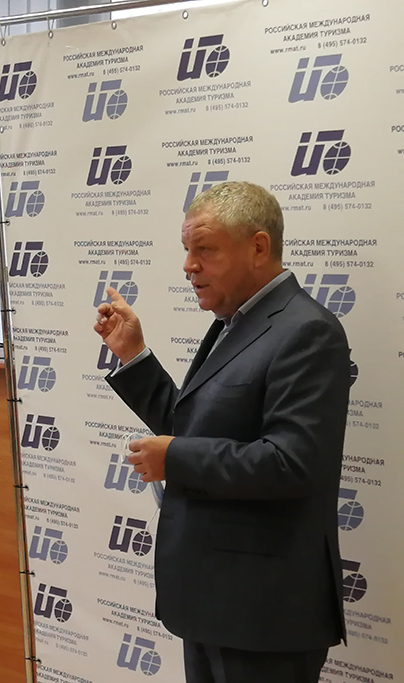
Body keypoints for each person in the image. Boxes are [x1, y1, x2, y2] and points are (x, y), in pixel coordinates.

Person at [94, 181, 349, 683]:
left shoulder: (308, 331)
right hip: (212, 601)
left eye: (205, 249)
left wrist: (174, 459)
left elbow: (292, 463)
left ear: (259, 247)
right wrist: (134, 356)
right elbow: (195, 427)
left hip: (263, 614)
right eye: (187, 250)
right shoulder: (234, 322)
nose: (189, 265)